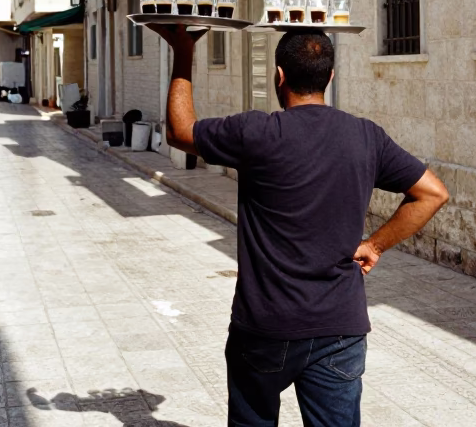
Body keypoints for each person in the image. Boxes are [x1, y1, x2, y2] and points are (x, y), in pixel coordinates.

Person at [148, 25, 448, 427]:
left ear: (280, 75)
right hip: (338, 329)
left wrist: (183, 51)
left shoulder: (256, 132)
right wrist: (375, 245)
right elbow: (433, 193)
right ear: (330, 76)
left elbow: (179, 132)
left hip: (264, 327)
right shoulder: (365, 136)